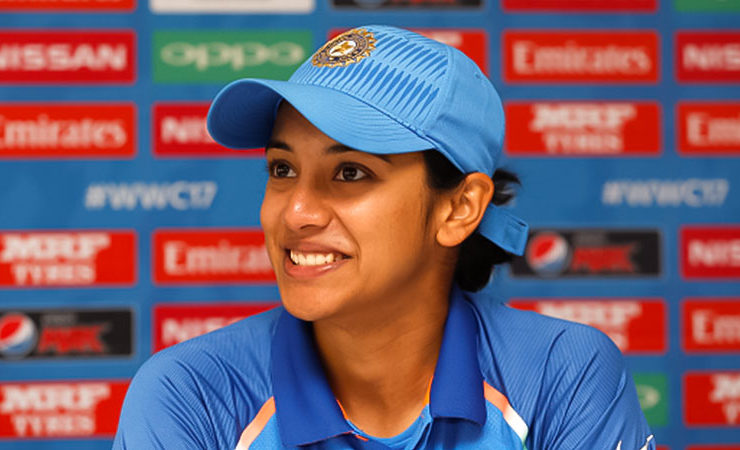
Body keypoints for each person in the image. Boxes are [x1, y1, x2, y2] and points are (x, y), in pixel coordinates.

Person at [113, 25, 655, 449]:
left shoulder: (562, 373)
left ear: (461, 208)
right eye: (282, 170)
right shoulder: (189, 393)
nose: (296, 212)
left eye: (350, 172)